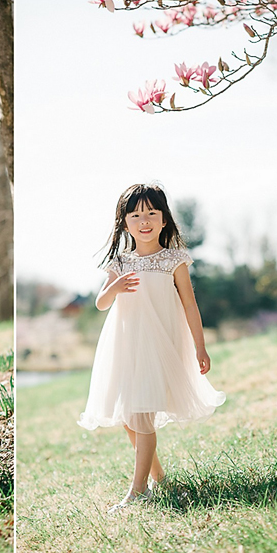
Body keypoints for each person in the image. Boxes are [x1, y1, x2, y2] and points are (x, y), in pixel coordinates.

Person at [77, 183, 225, 512]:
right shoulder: (121, 262)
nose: (144, 221)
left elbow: (189, 304)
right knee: (131, 420)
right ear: (124, 223)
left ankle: (138, 490)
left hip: (160, 344)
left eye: (151, 213)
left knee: (142, 417)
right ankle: (160, 479)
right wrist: (114, 285)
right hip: (126, 344)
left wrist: (200, 347)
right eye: (136, 215)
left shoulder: (175, 259)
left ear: (164, 219)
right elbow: (102, 304)